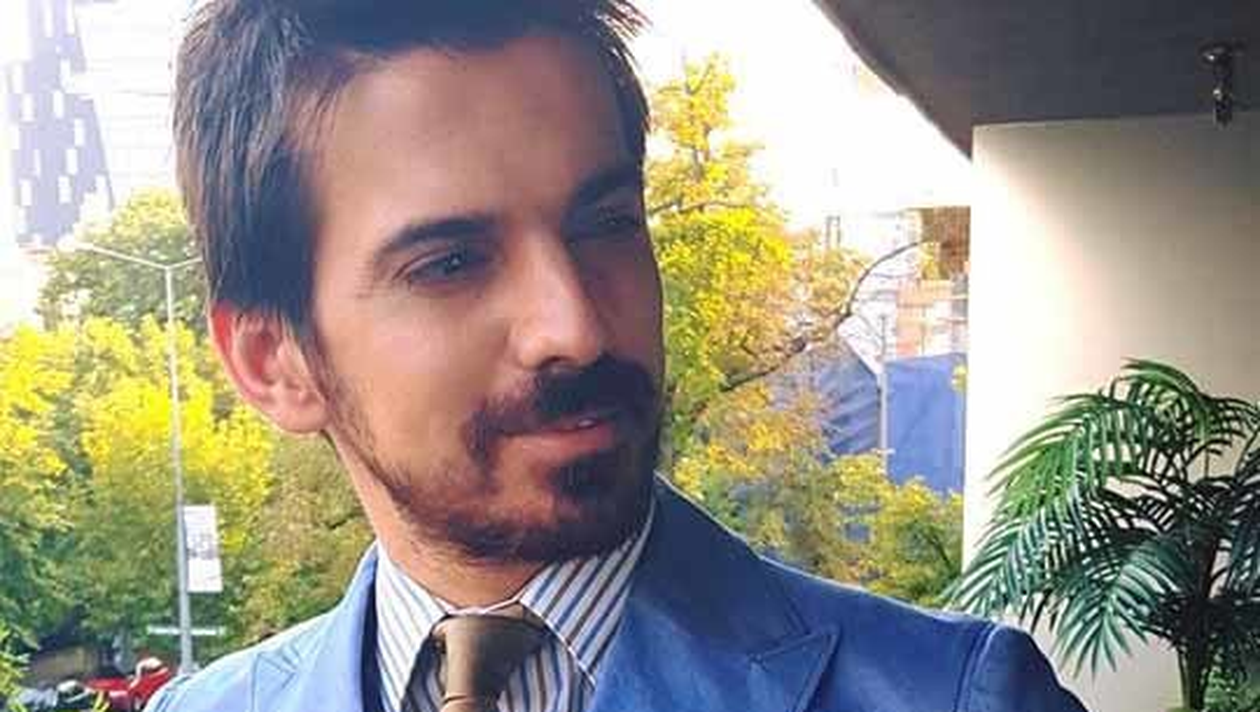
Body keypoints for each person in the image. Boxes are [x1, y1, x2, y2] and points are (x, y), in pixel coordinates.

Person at [150, 1, 1088, 711]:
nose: (576, 327)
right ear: (274, 362)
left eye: (604, 224)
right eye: (450, 264)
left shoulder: (956, 696)